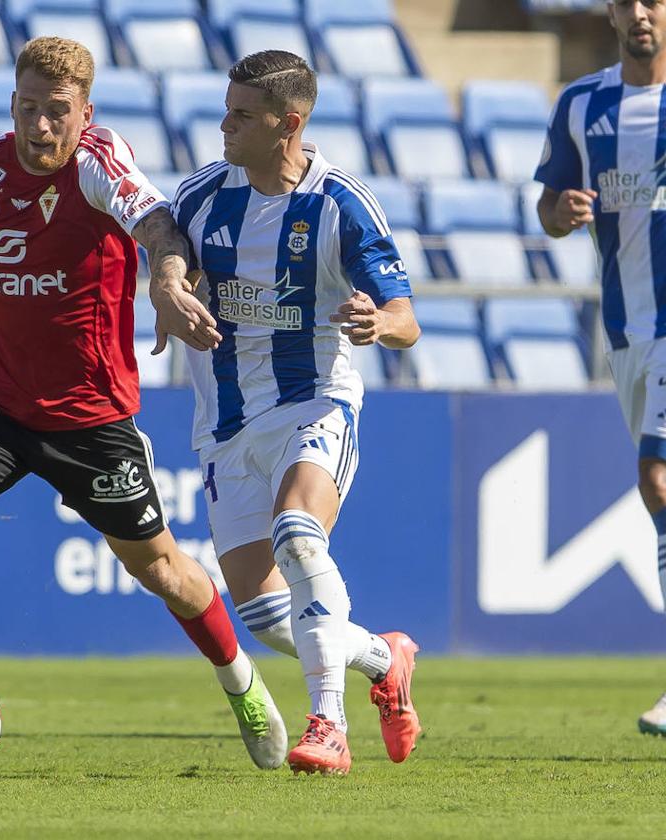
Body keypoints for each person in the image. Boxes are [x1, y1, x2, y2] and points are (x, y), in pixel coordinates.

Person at [0, 36, 289, 770]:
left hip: (91, 418)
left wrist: (167, 281)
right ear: (11, 105)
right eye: (27, 109)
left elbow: (159, 227)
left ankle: (240, 681)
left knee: (163, 572)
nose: (41, 127)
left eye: (57, 113)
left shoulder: (96, 164)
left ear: (85, 112)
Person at [165, 50, 422, 776]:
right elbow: (163, 256)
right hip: (224, 426)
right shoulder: (201, 197)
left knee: (298, 534)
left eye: (241, 115)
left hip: (316, 401)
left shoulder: (340, 202)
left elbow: (407, 316)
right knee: (268, 616)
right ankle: (386, 658)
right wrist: (167, 293)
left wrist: (380, 323)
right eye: (226, 108)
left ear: (290, 123)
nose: (224, 125)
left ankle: (328, 725)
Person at [534, 0, 666, 738]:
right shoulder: (583, 104)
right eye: (628, 2)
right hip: (626, 332)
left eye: (654, 0)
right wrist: (564, 211)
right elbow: (548, 206)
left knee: (658, 480)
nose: (642, 13)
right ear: (611, 14)